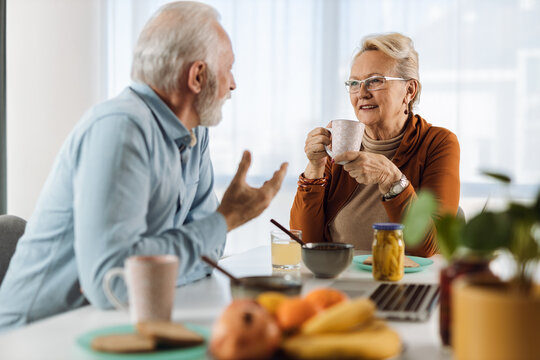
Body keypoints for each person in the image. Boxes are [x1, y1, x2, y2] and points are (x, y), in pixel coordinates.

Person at [0, 1, 288, 331]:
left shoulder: (195, 134)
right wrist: (225, 219)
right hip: (35, 336)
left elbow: (209, 252)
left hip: (114, 322)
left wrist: (199, 238)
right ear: (198, 76)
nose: (233, 84)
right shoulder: (120, 129)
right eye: (229, 68)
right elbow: (117, 282)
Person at [290, 32, 459, 257]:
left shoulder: (438, 143)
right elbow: (303, 243)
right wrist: (314, 168)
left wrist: (390, 178)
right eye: (354, 83)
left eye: (375, 81)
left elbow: (430, 246)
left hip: (404, 284)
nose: (361, 93)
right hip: (342, 281)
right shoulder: (340, 144)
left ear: (409, 90)